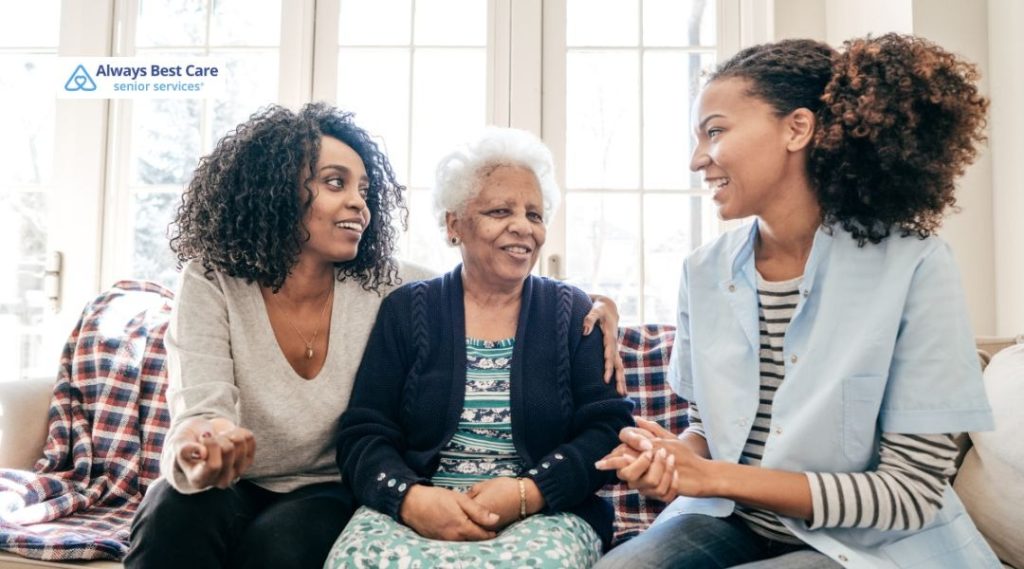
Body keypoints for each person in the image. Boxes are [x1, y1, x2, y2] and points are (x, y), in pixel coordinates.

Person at [124, 103, 623, 569]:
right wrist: (201, 446)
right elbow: (201, 408)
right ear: (273, 189)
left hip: (323, 487)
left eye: (364, 190)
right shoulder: (212, 279)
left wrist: (596, 304)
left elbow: (484, 283)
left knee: (278, 548)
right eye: (335, 182)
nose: (358, 203)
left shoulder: (383, 283)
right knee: (171, 517)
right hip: (230, 480)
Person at [594, 34, 999, 569]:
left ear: (797, 128)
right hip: (731, 520)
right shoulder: (702, 272)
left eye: (715, 132)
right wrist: (671, 460)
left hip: (868, 544)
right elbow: (708, 432)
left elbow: (909, 495)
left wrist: (715, 476)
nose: (697, 160)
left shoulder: (917, 267)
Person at [326, 127, 635, 568]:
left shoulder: (573, 313)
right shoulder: (407, 310)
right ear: (455, 225)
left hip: (544, 513)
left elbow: (607, 429)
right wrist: (410, 499)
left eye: (534, 214)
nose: (523, 227)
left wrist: (529, 492)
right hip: (421, 506)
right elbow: (364, 432)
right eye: (500, 211)